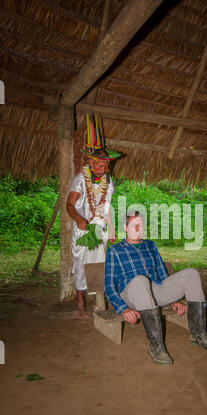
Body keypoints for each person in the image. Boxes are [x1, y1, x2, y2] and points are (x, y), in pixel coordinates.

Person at [104, 211, 207, 365]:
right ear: (126, 227)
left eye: (142, 226)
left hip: (154, 291)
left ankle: (199, 335)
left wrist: (172, 299)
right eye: (135, 225)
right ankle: (156, 347)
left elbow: (162, 275)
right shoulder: (115, 251)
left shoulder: (150, 245)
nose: (139, 229)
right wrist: (123, 309)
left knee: (191, 274)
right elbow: (109, 286)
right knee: (140, 281)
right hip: (132, 294)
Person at [66, 113, 121, 319]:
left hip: (100, 230)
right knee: (81, 264)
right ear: (90, 162)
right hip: (82, 230)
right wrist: (79, 219)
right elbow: (69, 204)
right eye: (99, 165)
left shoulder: (109, 182)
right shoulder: (80, 179)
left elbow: (106, 208)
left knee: (101, 265)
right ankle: (81, 306)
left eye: (106, 165)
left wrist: (112, 229)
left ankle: (100, 303)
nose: (103, 168)